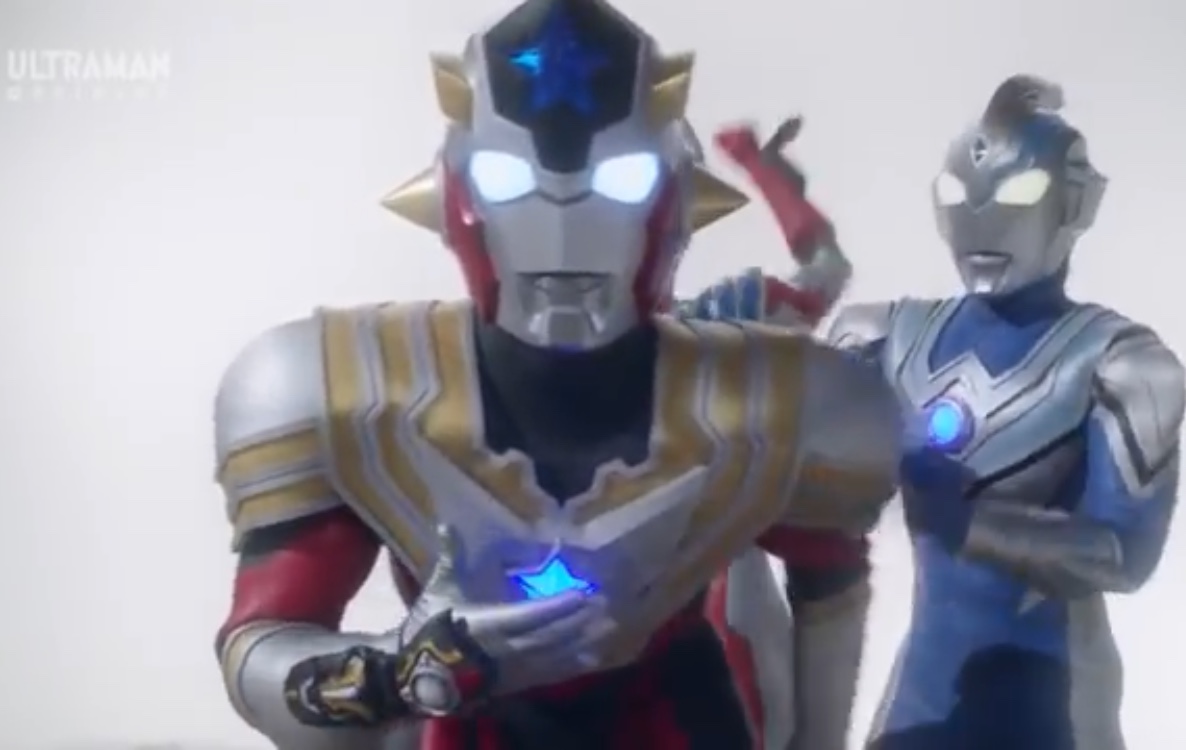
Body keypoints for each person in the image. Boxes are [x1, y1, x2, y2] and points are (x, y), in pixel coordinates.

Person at [211, 0, 901, 748]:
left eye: (624, 179)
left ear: (676, 198)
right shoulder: (349, 387)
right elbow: (257, 651)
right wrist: (394, 672)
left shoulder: (776, 387)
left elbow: (830, 582)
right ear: (452, 193)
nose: (566, 218)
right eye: (506, 178)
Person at [696, 75, 1186, 750]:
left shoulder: (1123, 366)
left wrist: (970, 524)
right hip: (927, 688)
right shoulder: (888, 336)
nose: (985, 219)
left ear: (1075, 202)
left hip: (1054, 703)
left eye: (1018, 194)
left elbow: (1125, 554)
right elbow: (795, 452)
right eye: (961, 194)